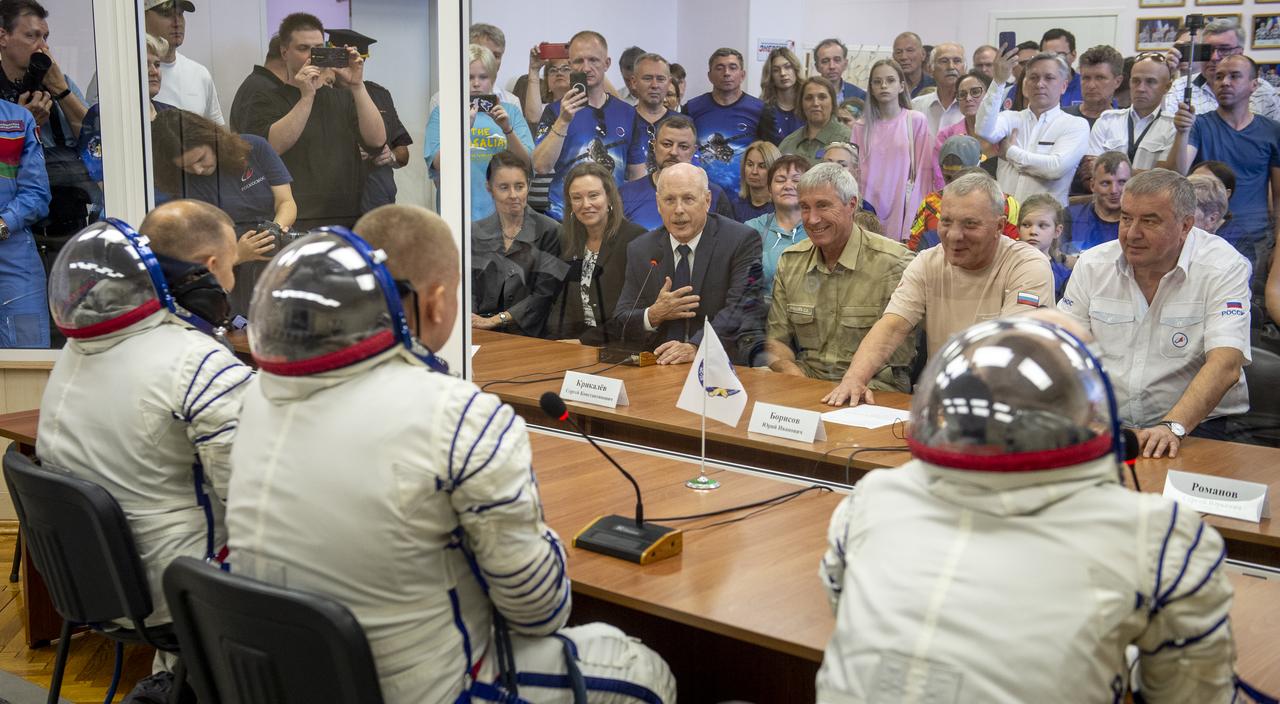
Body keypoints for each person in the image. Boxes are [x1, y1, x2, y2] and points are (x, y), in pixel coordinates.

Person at [225, 204, 676, 704]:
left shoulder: (254, 398)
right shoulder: (458, 415)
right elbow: (541, 611)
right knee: (644, 671)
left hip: (280, 679)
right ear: (438, 302)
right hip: (424, 689)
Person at [817, 315, 1237, 702]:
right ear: (1092, 416)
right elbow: (1190, 694)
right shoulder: (1160, 537)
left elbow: (843, 602)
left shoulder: (873, 496)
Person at [38, 203, 247, 639]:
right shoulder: (198, 363)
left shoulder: (77, 350)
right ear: (211, 268)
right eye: (231, 266)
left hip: (93, 585)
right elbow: (255, 500)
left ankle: (174, 679)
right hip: (179, 593)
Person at [1059, 169, 1250, 454]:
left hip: (1200, 426)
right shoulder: (1093, 265)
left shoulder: (1223, 267)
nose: (1132, 233)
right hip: (1111, 425)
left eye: (1150, 221)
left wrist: (1173, 426)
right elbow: (1063, 350)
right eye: (1126, 218)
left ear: (1186, 226)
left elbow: (1226, 365)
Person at [823, 173, 1053, 406]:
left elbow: (1011, 345)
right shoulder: (927, 262)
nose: (954, 235)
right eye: (946, 221)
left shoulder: (1028, 266)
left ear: (999, 226)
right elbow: (892, 327)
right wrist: (854, 379)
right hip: (945, 403)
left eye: (970, 224)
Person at [765, 162, 914, 384]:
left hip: (874, 389)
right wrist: (796, 379)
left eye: (823, 206)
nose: (812, 219)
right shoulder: (791, 262)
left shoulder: (894, 263)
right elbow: (776, 342)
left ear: (851, 205)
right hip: (808, 381)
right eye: (805, 207)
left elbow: (901, 361)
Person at [238, 12, 386, 229]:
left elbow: (376, 141)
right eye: (302, 48)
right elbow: (272, 147)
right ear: (284, 52)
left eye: (317, 48)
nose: (311, 55)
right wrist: (307, 96)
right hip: (295, 219)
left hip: (347, 218)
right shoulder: (265, 97)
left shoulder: (342, 96)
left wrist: (357, 85)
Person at [610, 162, 765, 366]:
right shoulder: (641, 249)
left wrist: (696, 347)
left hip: (721, 365)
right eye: (669, 200)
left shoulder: (741, 240)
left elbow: (742, 308)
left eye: (688, 199)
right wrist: (653, 315)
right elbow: (621, 320)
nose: (678, 210)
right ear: (658, 204)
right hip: (658, 366)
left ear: (707, 200)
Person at [150, 109, 296, 318]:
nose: (198, 170)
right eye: (188, 167)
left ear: (212, 141)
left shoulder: (254, 148)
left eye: (201, 159)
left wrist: (272, 232)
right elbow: (195, 259)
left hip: (278, 252)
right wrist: (237, 255)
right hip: (230, 272)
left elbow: (286, 202)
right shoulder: (182, 189)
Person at [1169, 53, 1280, 276]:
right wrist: (1182, 133)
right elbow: (1177, 175)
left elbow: (1279, 196)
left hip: (1257, 239)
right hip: (1205, 237)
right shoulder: (1199, 125)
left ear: (1254, 85)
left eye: (1234, 76)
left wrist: (1277, 249)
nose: (1224, 82)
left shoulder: (1272, 131)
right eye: (1219, 77)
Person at [0, 0, 94, 238]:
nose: (42, 47)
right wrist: (23, 126)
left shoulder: (59, 82)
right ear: (3, 37)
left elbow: (95, 141)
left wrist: (61, 91)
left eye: (46, 37)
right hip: (15, 223)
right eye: (32, 36)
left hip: (69, 216)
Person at [531, 30, 643, 221]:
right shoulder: (555, 111)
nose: (586, 67)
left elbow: (636, 175)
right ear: (570, 65)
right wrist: (563, 121)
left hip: (610, 219)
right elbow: (540, 166)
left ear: (606, 63)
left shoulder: (628, 113)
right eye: (578, 61)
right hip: (562, 219)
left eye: (593, 60)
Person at [426, 43, 532, 222]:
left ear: (492, 79)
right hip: (458, 216)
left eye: (483, 77)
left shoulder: (510, 111)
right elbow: (438, 164)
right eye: (469, 77)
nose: (476, 83)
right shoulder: (443, 112)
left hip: (505, 217)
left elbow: (527, 164)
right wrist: (463, 128)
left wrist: (507, 129)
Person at [547, 162, 645, 343]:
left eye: (593, 195)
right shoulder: (568, 240)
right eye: (577, 198)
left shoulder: (635, 239)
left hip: (619, 344)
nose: (586, 204)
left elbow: (633, 313)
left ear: (609, 197)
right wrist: (555, 343)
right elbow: (564, 303)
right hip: (576, 343)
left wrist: (584, 342)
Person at [471, 151, 564, 338]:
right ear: (489, 188)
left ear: (528, 186)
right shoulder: (474, 232)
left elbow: (545, 294)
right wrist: (472, 320)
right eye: (504, 187)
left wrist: (496, 320)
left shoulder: (552, 231)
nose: (513, 195)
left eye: (519, 186)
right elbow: (469, 287)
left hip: (530, 334)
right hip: (478, 331)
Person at [977, 50, 1089, 204]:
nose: (1039, 84)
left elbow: (1055, 168)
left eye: (1049, 78)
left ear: (1063, 86)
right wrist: (998, 81)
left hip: (1047, 223)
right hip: (1005, 219)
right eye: (1033, 78)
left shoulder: (1075, 125)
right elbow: (983, 130)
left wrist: (1010, 152)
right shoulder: (1010, 118)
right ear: (1025, 84)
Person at [850, 59, 933, 240]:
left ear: (901, 86)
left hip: (903, 208)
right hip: (868, 209)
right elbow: (854, 174)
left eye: (890, 80)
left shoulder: (915, 121)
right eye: (877, 82)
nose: (884, 86)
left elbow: (923, 175)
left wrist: (913, 221)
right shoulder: (860, 126)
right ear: (871, 87)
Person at [618, 114, 735, 231]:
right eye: (667, 144)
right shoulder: (626, 194)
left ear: (694, 150)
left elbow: (728, 243)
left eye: (683, 146)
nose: (674, 152)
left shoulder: (713, 195)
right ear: (653, 146)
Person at [909, 138, 1021, 252]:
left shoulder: (1004, 204)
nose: (954, 184)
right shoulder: (930, 203)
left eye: (961, 178)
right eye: (948, 178)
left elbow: (1014, 250)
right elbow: (913, 248)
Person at [683, 48, 764, 201]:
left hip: (745, 198)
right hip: (702, 197)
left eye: (733, 67)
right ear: (709, 76)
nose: (726, 73)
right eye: (719, 68)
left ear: (742, 75)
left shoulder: (759, 109)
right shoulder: (692, 108)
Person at [1163, 19, 1280, 123]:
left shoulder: (1262, 91)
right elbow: (1165, 131)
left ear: (1240, 53)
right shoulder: (1180, 87)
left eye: (1224, 50)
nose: (1214, 57)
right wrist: (1165, 72)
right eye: (1209, 49)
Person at [0, 93, 47, 347]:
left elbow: (37, 194)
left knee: (28, 359)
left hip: (14, 261)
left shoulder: (17, 119)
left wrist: (2, 225)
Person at [1087, 53, 1176, 171]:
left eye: (1150, 82)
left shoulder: (1173, 127)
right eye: (1136, 81)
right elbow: (1091, 172)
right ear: (1129, 82)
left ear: (1167, 87)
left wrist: (1114, 174)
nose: (1141, 88)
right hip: (1108, 190)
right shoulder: (1106, 121)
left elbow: (1164, 178)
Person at [144, 0, 223, 125]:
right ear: (143, 17)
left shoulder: (200, 74)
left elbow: (218, 136)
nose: (177, 23)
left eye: (180, 14)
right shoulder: (133, 76)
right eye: (166, 14)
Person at [745, 154, 809, 304]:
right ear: (769, 190)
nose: (788, 186)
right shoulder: (751, 230)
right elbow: (744, 285)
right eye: (780, 180)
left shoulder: (820, 230)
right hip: (762, 319)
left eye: (796, 180)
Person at [932, 69, 997, 184]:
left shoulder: (1004, 131)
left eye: (975, 92)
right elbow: (939, 179)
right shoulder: (946, 136)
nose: (968, 98)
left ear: (989, 95)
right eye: (962, 94)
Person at [1063, 151, 1129, 255]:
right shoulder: (1069, 216)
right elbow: (1056, 260)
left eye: (1122, 182)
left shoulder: (1138, 225)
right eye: (1106, 183)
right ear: (1092, 185)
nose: (1114, 190)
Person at [779, 76, 850, 163]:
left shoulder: (848, 139)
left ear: (833, 102)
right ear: (801, 103)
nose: (815, 103)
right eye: (809, 98)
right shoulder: (788, 143)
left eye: (822, 97)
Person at [628, 53, 677, 175]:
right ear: (634, 82)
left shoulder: (683, 124)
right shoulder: (623, 121)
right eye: (647, 78)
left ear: (669, 82)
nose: (654, 85)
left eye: (660, 79)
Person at [1017, 192, 1070, 299]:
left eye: (1042, 226)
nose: (1033, 231)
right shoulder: (1006, 265)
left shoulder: (1064, 276)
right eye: (1026, 225)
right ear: (1018, 228)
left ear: (1057, 231)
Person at [229, 34, 286, 133]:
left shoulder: (256, 83)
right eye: (302, 49)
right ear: (285, 54)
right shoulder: (264, 91)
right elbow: (264, 144)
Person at [910, 42, 966, 137]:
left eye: (957, 61)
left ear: (965, 69)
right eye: (944, 61)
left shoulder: (974, 107)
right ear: (930, 69)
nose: (951, 67)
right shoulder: (915, 106)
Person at [1063, 45, 1122, 128]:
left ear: (1117, 82)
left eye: (1100, 78)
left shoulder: (1124, 126)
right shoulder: (1061, 118)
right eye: (1086, 78)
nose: (1091, 85)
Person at [758, 47, 805, 145]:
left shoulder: (807, 105)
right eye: (776, 70)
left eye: (787, 67)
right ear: (770, 76)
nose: (783, 73)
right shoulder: (763, 109)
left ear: (795, 69)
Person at [467, 22, 521, 106]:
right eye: (484, 53)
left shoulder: (511, 102)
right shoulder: (443, 100)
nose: (490, 60)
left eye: (496, 55)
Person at [520, 43, 570, 125]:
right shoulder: (544, 109)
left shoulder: (584, 106)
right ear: (547, 82)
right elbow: (533, 118)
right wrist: (534, 69)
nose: (559, 72)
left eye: (566, 69)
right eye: (553, 70)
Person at [735, 139, 780, 222]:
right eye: (750, 164)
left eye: (762, 166)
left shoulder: (781, 208)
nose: (754, 171)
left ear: (774, 170)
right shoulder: (735, 206)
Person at [813, 38, 866, 103]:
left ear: (845, 64)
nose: (832, 66)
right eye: (825, 61)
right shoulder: (808, 95)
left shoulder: (859, 95)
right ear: (817, 67)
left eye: (837, 60)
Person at [1041, 28, 1082, 108]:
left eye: (1060, 55)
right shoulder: (1034, 86)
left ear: (1073, 55)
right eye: (1047, 55)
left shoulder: (1086, 86)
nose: (1054, 61)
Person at [892, 32, 935, 98]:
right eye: (898, 52)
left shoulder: (936, 86)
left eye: (910, 50)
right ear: (893, 57)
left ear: (923, 54)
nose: (904, 57)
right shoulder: (889, 87)